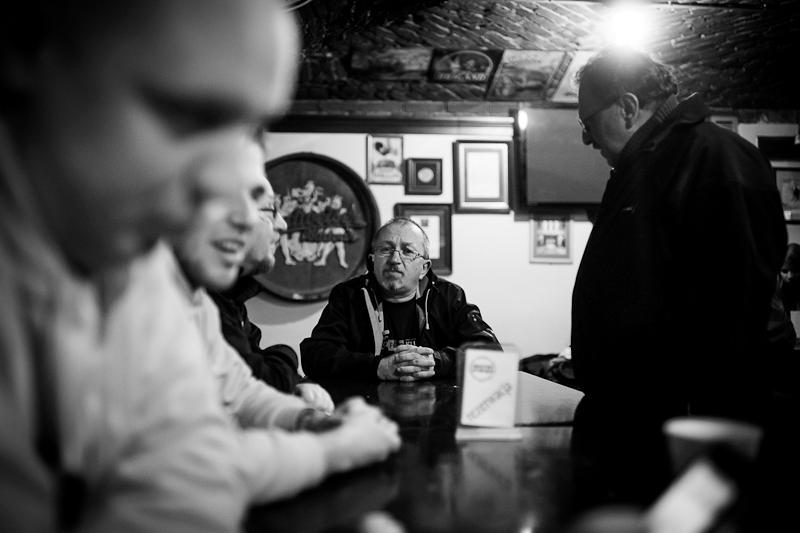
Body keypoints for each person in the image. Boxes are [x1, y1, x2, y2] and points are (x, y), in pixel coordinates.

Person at [0, 1, 349, 531]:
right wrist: (334, 448)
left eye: (241, 130)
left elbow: (183, 485)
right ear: (28, 51)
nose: (224, 184)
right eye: (188, 116)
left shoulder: (136, 269)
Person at [568, 48, 787, 504]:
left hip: (679, 434)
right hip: (641, 427)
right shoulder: (648, 164)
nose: (586, 138)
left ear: (628, 107)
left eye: (588, 122)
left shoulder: (715, 158)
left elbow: (737, 315)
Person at [171, 136, 401, 503]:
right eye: (221, 198)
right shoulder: (129, 296)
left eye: (254, 203)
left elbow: (243, 392)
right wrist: (334, 447)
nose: (249, 220)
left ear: (425, 265)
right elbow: (179, 470)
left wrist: (315, 422)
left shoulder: (191, 297)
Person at [301, 217, 501, 382]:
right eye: (385, 250)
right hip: (365, 408)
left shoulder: (448, 296)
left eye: (407, 251)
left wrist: (438, 361)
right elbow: (315, 356)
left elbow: (492, 353)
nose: (395, 259)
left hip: (436, 407)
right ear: (372, 260)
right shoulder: (348, 296)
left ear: (424, 268)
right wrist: (378, 366)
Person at [207, 150, 332, 410]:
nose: (283, 225)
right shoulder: (203, 299)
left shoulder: (232, 298)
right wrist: (286, 353)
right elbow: (264, 381)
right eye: (271, 210)